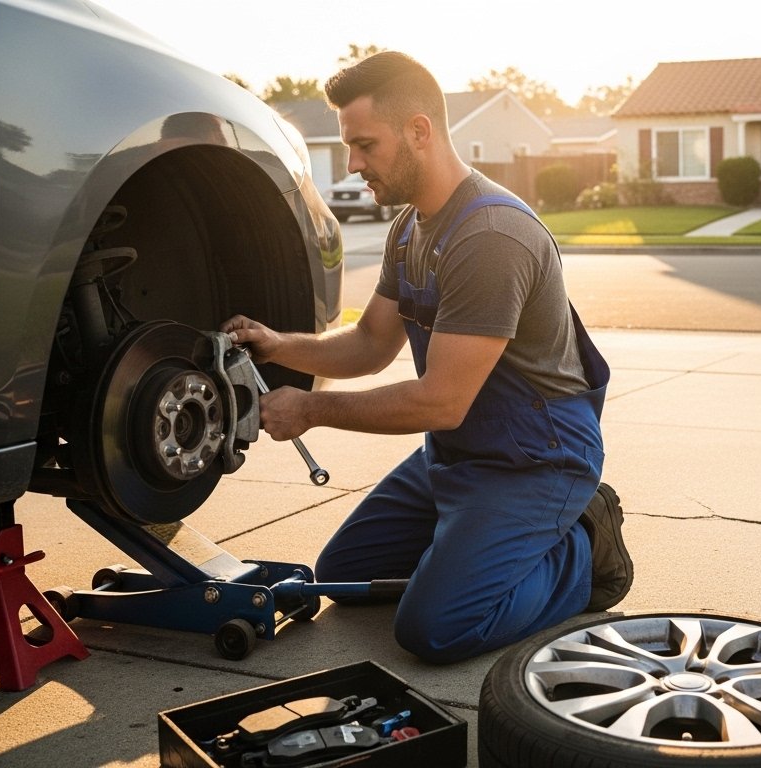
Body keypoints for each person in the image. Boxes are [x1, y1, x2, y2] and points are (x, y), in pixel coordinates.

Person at [220, 51, 632, 664]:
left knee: (435, 629)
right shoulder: (411, 228)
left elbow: (441, 400)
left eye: (364, 145)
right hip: (460, 451)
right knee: (344, 573)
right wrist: (281, 345)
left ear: (419, 130)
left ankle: (579, 545)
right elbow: (370, 344)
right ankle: (480, 544)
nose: (353, 164)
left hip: (536, 458)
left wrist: (310, 408)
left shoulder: (489, 237)